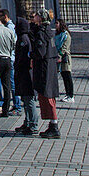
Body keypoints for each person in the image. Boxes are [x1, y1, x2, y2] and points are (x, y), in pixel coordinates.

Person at [30, 11, 60, 139]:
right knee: (49, 94)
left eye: (36, 15)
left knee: (47, 94)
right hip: (50, 65)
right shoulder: (49, 31)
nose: (34, 17)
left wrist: (31, 55)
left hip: (44, 67)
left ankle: (54, 125)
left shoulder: (42, 32)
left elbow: (40, 51)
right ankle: (52, 124)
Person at [13, 17, 38, 136]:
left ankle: (33, 123)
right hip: (24, 72)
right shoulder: (23, 38)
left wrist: (17, 65)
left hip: (26, 73)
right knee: (26, 98)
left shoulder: (23, 39)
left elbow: (23, 57)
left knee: (29, 99)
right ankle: (28, 121)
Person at [0, 12, 15, 116]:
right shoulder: (9, 31)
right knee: (7, 86)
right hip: (7, 59)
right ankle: (6, 110)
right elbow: (13, 45)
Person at [54, 19, 73, 103]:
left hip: (65, 58)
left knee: (67, 76)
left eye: (57, 23)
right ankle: (67, 94)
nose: (56, 25)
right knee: (64, 77)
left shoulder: (65, 34)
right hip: (59, 58)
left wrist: (60, 54)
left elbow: (65, 47)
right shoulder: (57, 35)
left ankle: (71, 95)